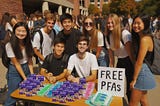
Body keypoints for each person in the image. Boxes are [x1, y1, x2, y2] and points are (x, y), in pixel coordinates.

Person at [105, 13, 135, 102]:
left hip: (129, 61)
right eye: (108, 23)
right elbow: (111, 54)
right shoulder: (107, 36)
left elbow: (131, 54)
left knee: (130, 88)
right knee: (117, 88)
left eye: (112, 22)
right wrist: (111, 67)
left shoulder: (124, 34)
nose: (109, 25)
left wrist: (136, 70)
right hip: (120, 61)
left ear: (117, 23)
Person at [4, 22, 34, 106]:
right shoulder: (9, 45)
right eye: (18, 31)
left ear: (27, 32)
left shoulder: (29, 42)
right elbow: (16, 63)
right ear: (14, 31)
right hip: (15, 70)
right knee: (12, 96)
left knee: (30, 94)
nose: (21, 33)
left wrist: (32, 75)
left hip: (26, 67)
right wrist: (25, 78)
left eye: (23, 31)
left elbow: (30, 60)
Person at [129, 14, 156, 106]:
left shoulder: (145, 39)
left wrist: (134, 79)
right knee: (143, 100)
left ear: (145, 24)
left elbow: (139, 62)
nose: (135, 25)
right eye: (134, 23)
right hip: (145, 71)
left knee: (132, 103)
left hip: (142, 72)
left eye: (138, 23)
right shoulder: (141, 37)